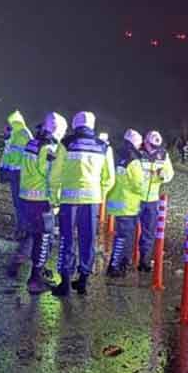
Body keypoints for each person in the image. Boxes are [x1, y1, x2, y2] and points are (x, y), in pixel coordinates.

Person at [54, 111, 115, 294]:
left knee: (66, 238)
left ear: (75, 124)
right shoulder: (104, 147)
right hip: (91, 200)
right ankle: (83, 280)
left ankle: (65, 282)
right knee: (87, 239)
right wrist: (100, 194)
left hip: (69, 200)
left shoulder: (66, 143)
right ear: (92, 125)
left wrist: (54, 197)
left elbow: (55, 174)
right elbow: (109, 178)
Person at [14, 112, 66, 293]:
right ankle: (35, 280)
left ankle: (24, 266)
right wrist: (56, 201)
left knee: (33, 236)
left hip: (25, 198)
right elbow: (51, 176)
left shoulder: (32, 143)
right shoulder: (49, 147)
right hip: (41, 200)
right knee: (43, 239)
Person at [104, 129, 147, 277]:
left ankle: (120, 265)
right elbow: (138, 185)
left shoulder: (117, 155)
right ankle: (114, 267)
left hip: (116, 202)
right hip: (128, 204)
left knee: (121, 236)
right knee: (123, 238)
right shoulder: (133, 160)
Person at [137, 129, 175, 272]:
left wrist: (161, 175)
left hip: (152, 199)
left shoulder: (163, 154)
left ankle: (144, 262)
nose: (153, 149)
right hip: (136, 198)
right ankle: (122, 263)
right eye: (151, 145)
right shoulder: (137, 153)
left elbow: (169, 173)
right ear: (145, 142)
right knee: (128, 232)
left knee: (148, 233)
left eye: (155, 146)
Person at [0, 110, 33, 238]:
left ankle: (22, 231)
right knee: (19, 204)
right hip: (18, 174)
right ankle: (21, 230)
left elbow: (13, 156)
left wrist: (6, 170)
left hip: (18, 174)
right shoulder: (19, 133)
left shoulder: (20, 135)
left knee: (20, 204)